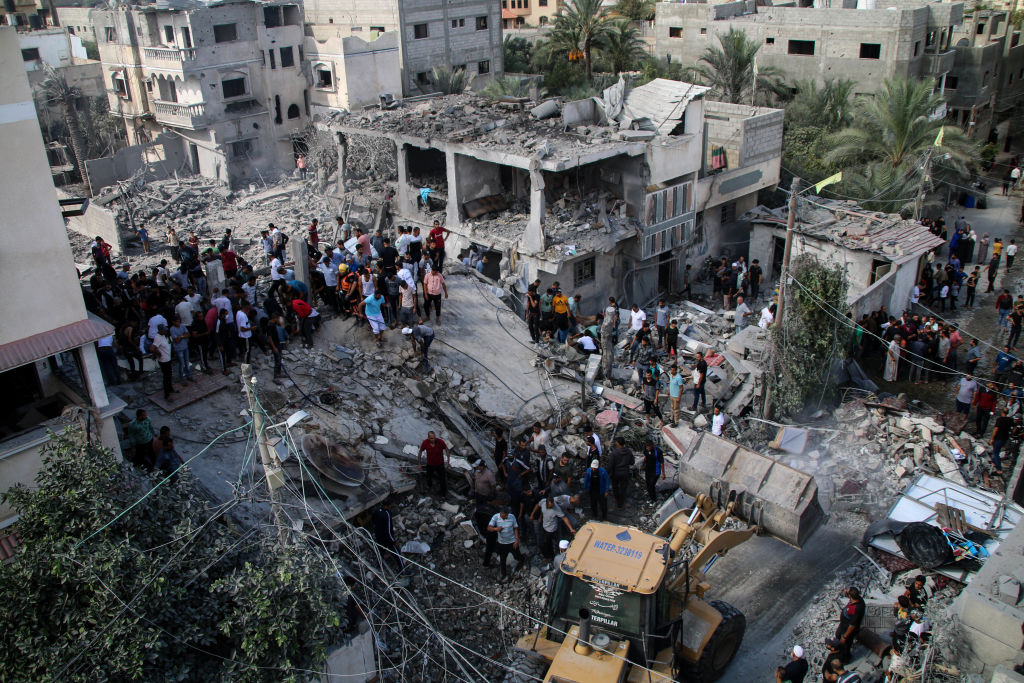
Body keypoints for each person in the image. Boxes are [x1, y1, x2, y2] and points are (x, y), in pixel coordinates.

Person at [487, 506, 523, 580]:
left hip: (512, 542)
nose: (506, 517)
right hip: (502, 543)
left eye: (506, 515)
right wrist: (496, 529)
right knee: (503, 559)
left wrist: (516, 540)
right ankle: (503, 574)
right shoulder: (495, 517)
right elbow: (489, 528)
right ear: (501, 513)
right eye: (504, 516)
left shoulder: (512, 516)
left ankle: (522, 561)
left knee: (517, 555)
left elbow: (515, 528)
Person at [372, 500, 405, 573]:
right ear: (387, 506)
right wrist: (393, 541)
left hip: (379, 537)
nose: (390, 507)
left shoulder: (377, 511)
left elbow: (374, 522)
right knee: (397, 553)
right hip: (387, 539)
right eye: (389, 506)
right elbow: (388, 530)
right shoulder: (387, 514)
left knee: (381, 551)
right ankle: (403, 570)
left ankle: (377, 565)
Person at [835, 587, 865, 663]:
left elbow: (852, 626)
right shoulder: (856, 598)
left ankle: (845, 659)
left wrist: (845, 636)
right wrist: (845, 592)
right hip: (843, 625)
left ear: (851, 596)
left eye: (848, 593)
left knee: (845, 645)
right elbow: (849, 594)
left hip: (847, 629)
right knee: (838, 636)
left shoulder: (857, 608)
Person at [418, 431, 450, 496]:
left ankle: (444, 493)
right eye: (432, 438)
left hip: (440, 464)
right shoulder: (425, 443)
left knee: (442, 479)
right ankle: (429, 488)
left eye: (434, 437)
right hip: (430, 464)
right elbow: (420, 452)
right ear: (428, 438)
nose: (434, 439)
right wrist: (419, 463)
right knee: (429, 477)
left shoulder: (440, 442)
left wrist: (447, 461)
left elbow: (446, 449)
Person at [150, 323, 175, 399]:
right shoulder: (158, 337)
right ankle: (166, 394)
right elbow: (152, 348)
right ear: (160, 330)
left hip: (168, 358)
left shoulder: (165, 335)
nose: (165, 331)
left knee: (169, 375)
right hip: (164, 361)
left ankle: (170, 389)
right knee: (166, 377)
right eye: (164, 330)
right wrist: (158, 353)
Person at [608, 437, 633, 510]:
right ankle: (621, 503)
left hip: (616, 473)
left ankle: (618, 501)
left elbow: (610, 465)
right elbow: (632, 462)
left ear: (618, 443)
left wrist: (607, 473)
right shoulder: (628, 452)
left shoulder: (614, 453)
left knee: (615, 487)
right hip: (625, 473)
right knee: (623, 488)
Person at [990, 407, 1012, 475]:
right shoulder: (1010, 420)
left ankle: (999, 470)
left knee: (995, 453)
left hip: (998, 438)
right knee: (997, 451)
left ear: (1002, 412)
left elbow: (996, 429)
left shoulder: (999, 420)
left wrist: (992, 438)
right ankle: (994, 462)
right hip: (1005, 438)